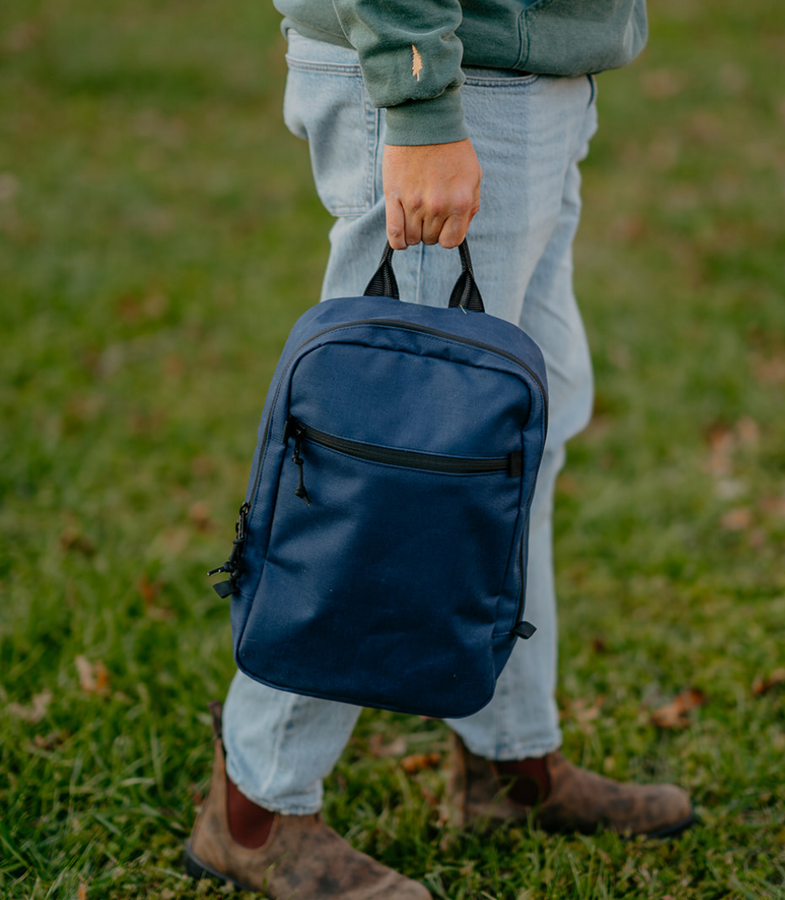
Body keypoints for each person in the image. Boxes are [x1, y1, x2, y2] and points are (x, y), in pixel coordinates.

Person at [185, 0, 696, 897]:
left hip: (534, 75)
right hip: (448, 79)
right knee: (384, 472)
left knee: (507, 457)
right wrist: (421, 98)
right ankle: (254, 809)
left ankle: (510, 761)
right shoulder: (429, 90)